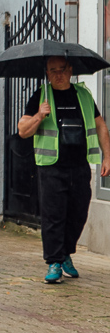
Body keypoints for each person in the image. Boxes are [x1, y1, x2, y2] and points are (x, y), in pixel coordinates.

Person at [17, 56, 110, 283]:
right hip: (51, 167)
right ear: (47, 73)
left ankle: (66, 252)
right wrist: (39, 115)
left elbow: (99, 125)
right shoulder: (41, 96)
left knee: (78, 214)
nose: (58, 74)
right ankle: (54, 262)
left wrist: (107, 156)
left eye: (62, 69)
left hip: (80, 165)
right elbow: (22, 131)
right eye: (53, 70)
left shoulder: (84, 95)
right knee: (53, 216)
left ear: (70, 70)